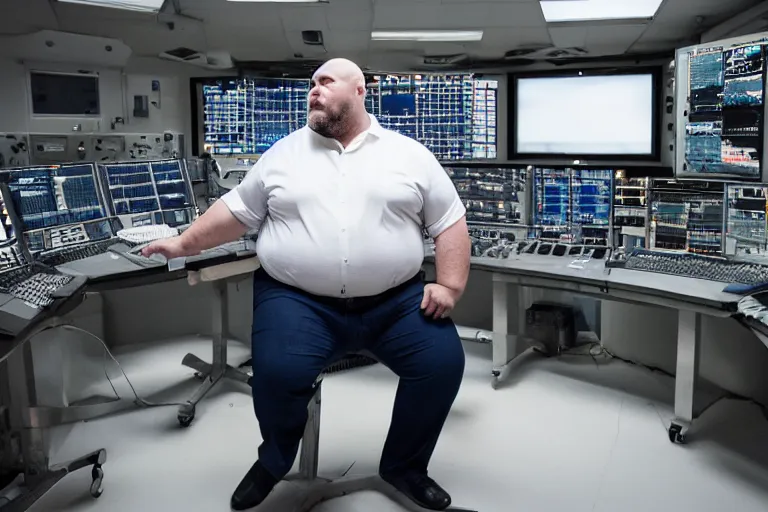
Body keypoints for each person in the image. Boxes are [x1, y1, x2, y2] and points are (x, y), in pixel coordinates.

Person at [141, 58, 471, 511]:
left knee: (442, 364)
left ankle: (405, 467)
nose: (313, 89)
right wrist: (182, 244)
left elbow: (450, 223)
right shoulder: (283, 154)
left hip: (395, 302)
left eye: (325, 82)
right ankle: (274, 462)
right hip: (298, 302)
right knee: (277, 375)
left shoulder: (409, 154)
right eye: (311, 83)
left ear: (359, 91)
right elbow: (234, 213)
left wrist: (449, 287)